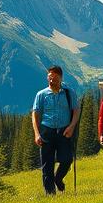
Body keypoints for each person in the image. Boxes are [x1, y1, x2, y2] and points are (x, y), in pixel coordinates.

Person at [31, 65, 80, 196]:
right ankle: (50, 194)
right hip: (47, 130)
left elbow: (76, 111)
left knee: (67, 159)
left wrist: (72, 126)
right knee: (47, 164)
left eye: (55, 79)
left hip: (64, 130)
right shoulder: (41, 95)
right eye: (50, 78)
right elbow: (35, 115)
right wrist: (37, 134)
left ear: (61, 78)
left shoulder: (69, 93)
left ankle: (58, 179)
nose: (52, 81)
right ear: (47, 78)